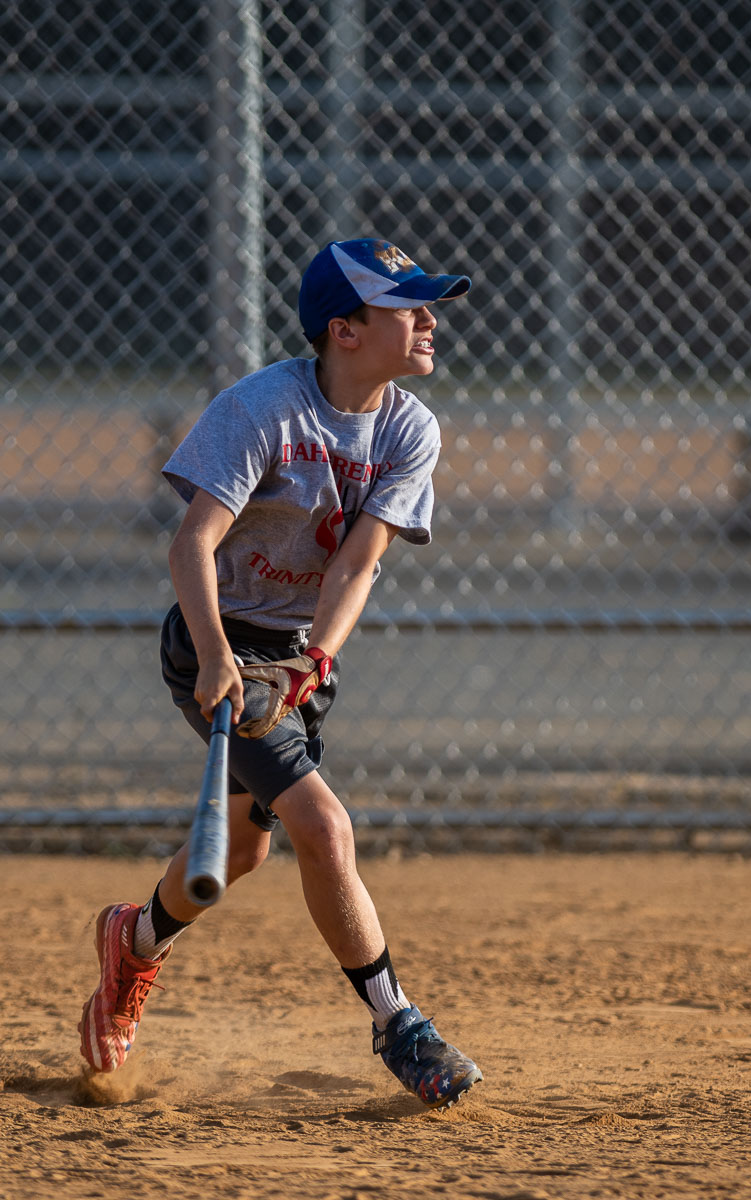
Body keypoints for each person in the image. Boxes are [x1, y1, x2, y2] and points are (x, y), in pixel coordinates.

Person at [78, 237, 482, 1110]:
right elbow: (192, 544)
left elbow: (357, 564)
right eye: (406, 306)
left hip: (296, 657)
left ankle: (134, 942)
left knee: (241, 851)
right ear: (344, 329)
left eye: (428, 304)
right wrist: (216, 658)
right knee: (324, 828)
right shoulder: (263, 408)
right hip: (218, 639)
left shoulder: (410, 428)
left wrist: (315, 661)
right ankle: (399, 1024)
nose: (428, 319)